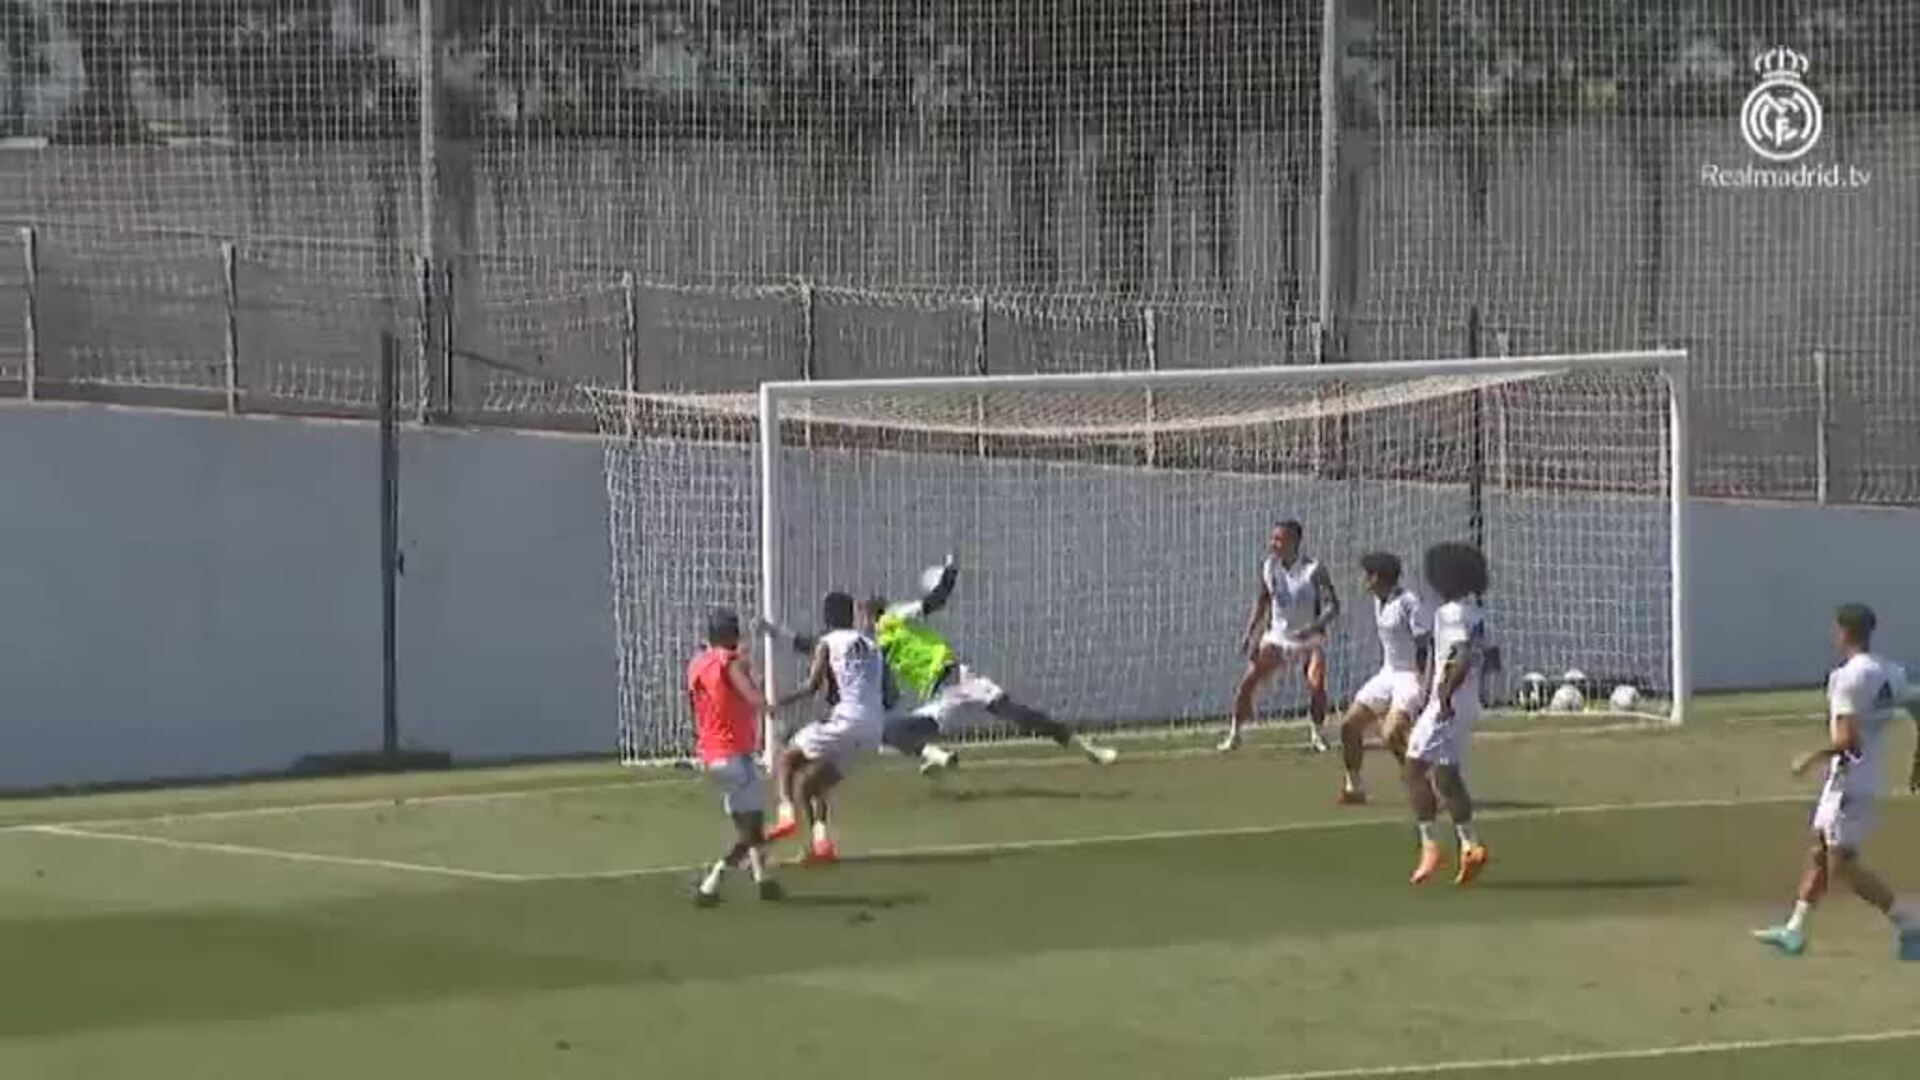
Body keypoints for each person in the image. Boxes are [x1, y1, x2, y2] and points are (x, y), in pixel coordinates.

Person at [1753, 603, 1920, 960]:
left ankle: (1909, 924)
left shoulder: (1846, 679)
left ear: (1843, 632)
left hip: (1849, 784)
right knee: (1820, 851)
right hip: (1860, 780)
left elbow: (1847, 740)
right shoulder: (1891, 671)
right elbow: (1916, 703)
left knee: (1841, 863)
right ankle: (1795, 930)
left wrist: (1810, 757)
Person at [867, 557, 1117, 774]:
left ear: (870, 616)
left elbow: (935, 602)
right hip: (947, 689)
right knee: (1021, 715)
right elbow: (936, 601)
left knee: (891, 733)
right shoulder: (885, 632)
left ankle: (936, 756)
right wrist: (950, 573)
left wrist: (949, 575)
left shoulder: (885, 631)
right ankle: (937, 757)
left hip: (951, 685)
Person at [763, 591, 887, 864]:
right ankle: (821, 844)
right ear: (850, 616)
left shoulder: (828, 642)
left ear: (827, 617)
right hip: (873, 729)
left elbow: (812, 686)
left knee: (786, 759)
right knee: (810, 786)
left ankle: (785, 815)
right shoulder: (872, 646)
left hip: (846, 720)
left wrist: (778, 703)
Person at [1404, 541, 1493, 886]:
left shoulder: (1451, 613)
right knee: (1446, 774)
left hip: (1449, 704)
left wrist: (1444, 695)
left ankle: (1429, 846)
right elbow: (1491, 659)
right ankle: (1470, 845)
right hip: (1468, 703)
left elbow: (1463, 653)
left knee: (1413, 769)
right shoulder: (1477, 614)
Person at [685, 607, 783, 905]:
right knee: (752, 827)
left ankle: (763, 879)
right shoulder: (730, 662)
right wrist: (768, 705)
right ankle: (713, 881)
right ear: (733, 635)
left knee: (748, 821)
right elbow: (753, 698)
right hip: (733, 755)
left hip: (711, 754)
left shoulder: (697, 664)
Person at [1222, 519, 1339, 753]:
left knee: (1316, 684)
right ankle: (1234, 733)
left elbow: (1333, 606)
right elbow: (1263, 600)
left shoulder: (1314, 569)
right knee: (1249, 680)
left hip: (1308, 639)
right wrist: (1250, 633)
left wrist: (1314, 627)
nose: (1272, 543)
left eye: (1278, 539)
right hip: (1278, 637)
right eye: (1273, 538)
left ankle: (1317, 734)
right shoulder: (1269, 567)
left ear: (1293, 541)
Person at [1337, 552, 1430, 805]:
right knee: (1349, 725)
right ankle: (1354, 787)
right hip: (1387, 673)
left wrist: (1424, 683)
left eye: (1368, 575)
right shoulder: (1379, 601)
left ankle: (1424, 783)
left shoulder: (1408, 602)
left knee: (1391, 734)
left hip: (1409, 676)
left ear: (1379, 577)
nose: (1365, 580)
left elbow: (1424, 643)